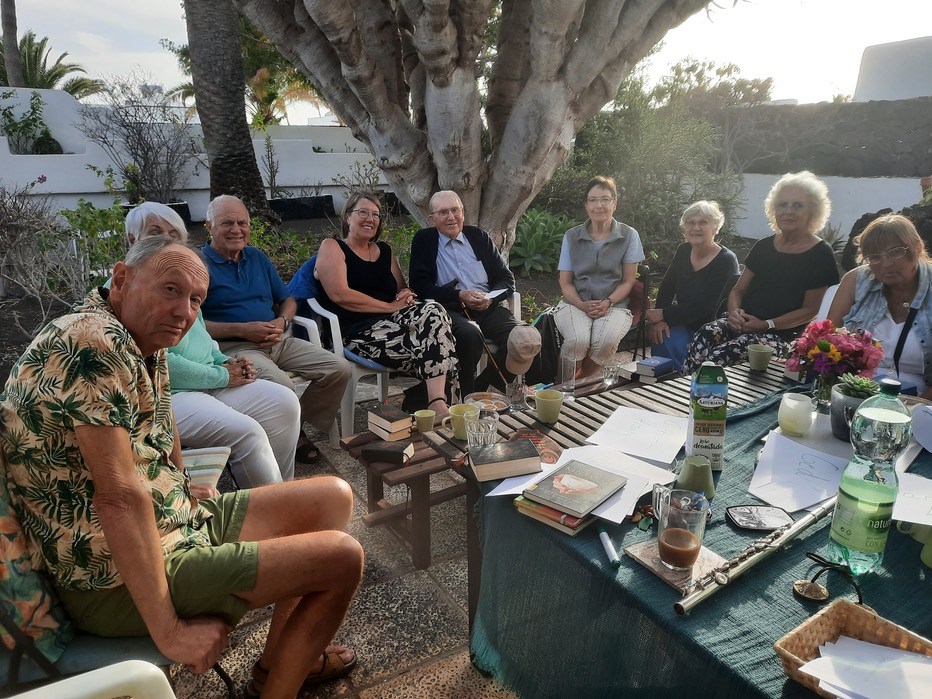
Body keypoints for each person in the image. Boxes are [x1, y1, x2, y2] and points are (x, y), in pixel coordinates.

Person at [0, 237, 363, 698]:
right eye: (170, 290)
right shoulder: (92, 341)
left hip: (170, 523)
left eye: (195, 299)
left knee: (331, 495)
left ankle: (280, 666)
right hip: (109, 577)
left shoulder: (137, 333)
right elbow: (117, 497)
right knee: (342, 557)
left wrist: (187, 488)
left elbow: (162, 421)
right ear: (121, 279)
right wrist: (171, 632)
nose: (184, 311)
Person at [121, 203, 301, 487]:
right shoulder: (130, 291)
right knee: (247, 432)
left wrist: (224, 363)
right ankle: (270, 508)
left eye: (173, 234)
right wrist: (222, 375)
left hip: (209, 381)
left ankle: (282, 490)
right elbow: (161, 361)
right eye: (155, 233)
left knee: (283, 401)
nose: (166, 241)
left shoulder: (184, 285)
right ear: (133, 240)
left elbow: (203, 338)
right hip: (170, 393)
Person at [199, 195, 351, 463]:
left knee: (339, 369)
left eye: (242, 222)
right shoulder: (199, 265)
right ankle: (293, 435)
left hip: (277, 340)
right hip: (236, 347)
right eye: (227, 223)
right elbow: (194, 322)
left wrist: (283, 322)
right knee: (282, 386)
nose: (236, 229)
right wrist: (243, 330)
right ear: (208, 226)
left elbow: (288, 299)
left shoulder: (256, 257)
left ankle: (295, 426)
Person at [312, 192, 458, 416]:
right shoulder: (332, 247)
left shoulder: (384, 251)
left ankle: (435, 404)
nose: (370, 219)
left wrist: (405, 293)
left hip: (393, 323)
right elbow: (340, 294)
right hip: (356, 333)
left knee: (435, 312)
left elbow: (400, 288)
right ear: (347, 217)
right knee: (441, 345)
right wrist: (389, 307)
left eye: (376, 215)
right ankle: (441, 407)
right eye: (363, 212)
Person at [682, 171, 839, 374]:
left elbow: (811, 310)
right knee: (706, 333)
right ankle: (686, 392)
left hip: (782, 335)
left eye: (797, 205)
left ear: (813, 211)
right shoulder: (763, 246)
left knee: (721, 355)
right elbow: (737, 291)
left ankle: (705, 398)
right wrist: (734, 313)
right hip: (743, 323)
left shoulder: (820, 253)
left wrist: (766, 324)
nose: (788, 211)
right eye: (782, 205)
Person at [409, 190, 541, 396]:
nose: (451, 217)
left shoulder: (478, 237)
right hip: (449, 310)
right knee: (471, 334)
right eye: (443, 212)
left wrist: (489, 299)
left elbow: (506, 280)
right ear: (432, 218)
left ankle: (480, 385)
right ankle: (466, 400)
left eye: (455, 210)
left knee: (527, 338)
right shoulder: (424, 241)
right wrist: (458, 296)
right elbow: (419, 285)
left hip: (487, 307)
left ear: (463, 212)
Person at [827, 213, 932, 397]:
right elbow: (827, 338)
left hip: (921, 399)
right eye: (874, 257)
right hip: (855, 389)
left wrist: (914, 409)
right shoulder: (857, 281)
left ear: (917, 249)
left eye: (896, 252)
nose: (886, 263)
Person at [554, 176, 645, 378]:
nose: (599, 205)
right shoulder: (571, 236)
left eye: (605, 199)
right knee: (578, 340)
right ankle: (561, 388)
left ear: (614, 203)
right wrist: (581, 304)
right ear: (586, 205)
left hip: (615, 304)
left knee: (606, 340)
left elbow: (628, 280)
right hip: (575, 302)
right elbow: (565, 282)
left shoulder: (629, 235)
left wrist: (609, 301)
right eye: (593, 200)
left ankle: (579, 385)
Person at [647, 201, 740, 372]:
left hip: (711, 330)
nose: (695, 227)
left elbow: (707, 305)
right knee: (662, 335)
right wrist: (660, 319)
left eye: (702, 222)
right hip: (682, 320)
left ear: (715, 227)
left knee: (681, 354)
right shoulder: (683, 250)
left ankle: (685, 386)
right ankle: (659, 386)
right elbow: (667, 287)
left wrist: (664, 314)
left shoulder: (726, 260)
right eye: (690, 222)